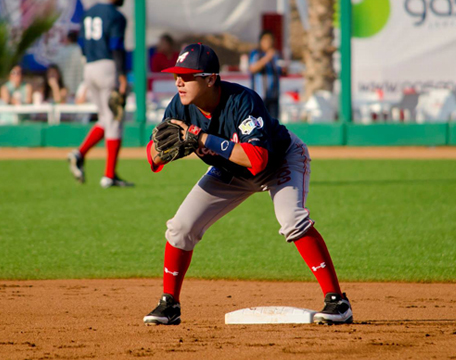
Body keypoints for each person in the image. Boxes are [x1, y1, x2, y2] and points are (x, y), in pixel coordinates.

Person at [143, 43, 353, 326]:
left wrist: (201, 138)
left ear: (210, 78)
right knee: (180, 227)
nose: (179, 81)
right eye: (176, 76)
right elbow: (154, 159)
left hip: (280, 160)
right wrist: (163, 150)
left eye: (188, 75)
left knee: (292, 219)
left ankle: (338, 302)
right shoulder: (180, 106)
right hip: (229, 170)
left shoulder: (242, 100)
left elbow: (258, 159)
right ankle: (170, 304)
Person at [67, 0, 133, 188]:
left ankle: (79, 154)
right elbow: (116, 45)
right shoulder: (116, 15)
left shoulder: (88, 13)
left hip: (89, 67)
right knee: (115, 120)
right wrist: (121, 75)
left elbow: (81, 43)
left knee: (105, 117)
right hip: (108, 67)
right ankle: (109, 176)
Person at [249, 30, 282, 119]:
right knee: (260, 121)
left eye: (271, 40)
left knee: (274, 122)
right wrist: (267, 57)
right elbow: (253, 68)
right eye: (266, 40)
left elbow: (279, 70)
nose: (269, 42)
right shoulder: (256, 54)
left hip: (273, 95)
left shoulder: (276, 55)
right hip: (260, 96)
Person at [53, 31, 84, 96]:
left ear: (68, 39)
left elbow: (54, 66)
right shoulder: (81, 51)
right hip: (79, 88)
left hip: (66, 88)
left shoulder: (62, 52)